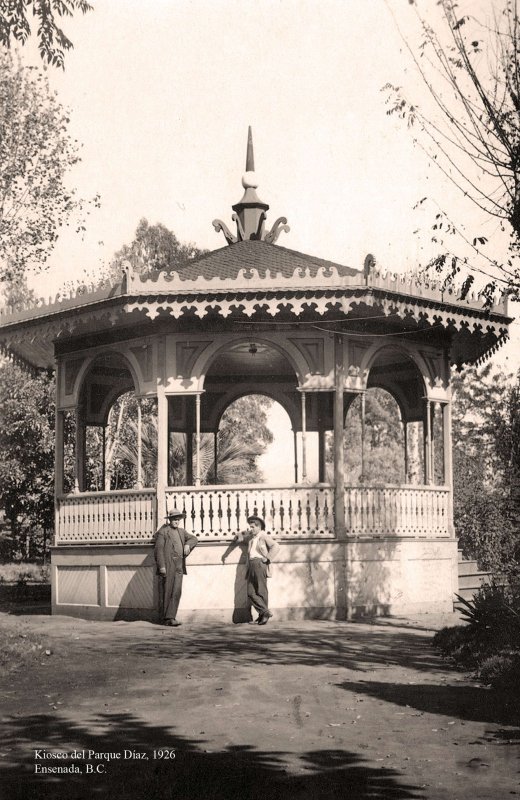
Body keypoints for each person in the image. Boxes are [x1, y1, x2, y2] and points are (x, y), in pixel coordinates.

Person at [227, 515, 280, 625]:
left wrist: (268, 558)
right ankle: (264, 612)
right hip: (251, 565)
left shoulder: (263, 536)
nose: (250, 529)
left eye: (252, 527)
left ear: (259, 527)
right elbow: (240, 537)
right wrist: (226, 553)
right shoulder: (252, 538)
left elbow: (276, 546)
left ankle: (263, 616)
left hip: (260, 564)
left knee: (261, 591)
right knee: (250, 592)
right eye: (250, 527)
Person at [154, 508, 198, 627]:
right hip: (168, 565)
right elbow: (158, 550)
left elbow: (194, 538)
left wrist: (188, 545)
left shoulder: (182, 532)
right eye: (174, 519)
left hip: (179, 566)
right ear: (170, 520)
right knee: (167, 590)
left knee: (177, 591)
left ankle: (171, 617)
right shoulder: (164, 532)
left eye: (178, 519)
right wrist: (162, 566)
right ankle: (167, 618)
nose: (176, 521)